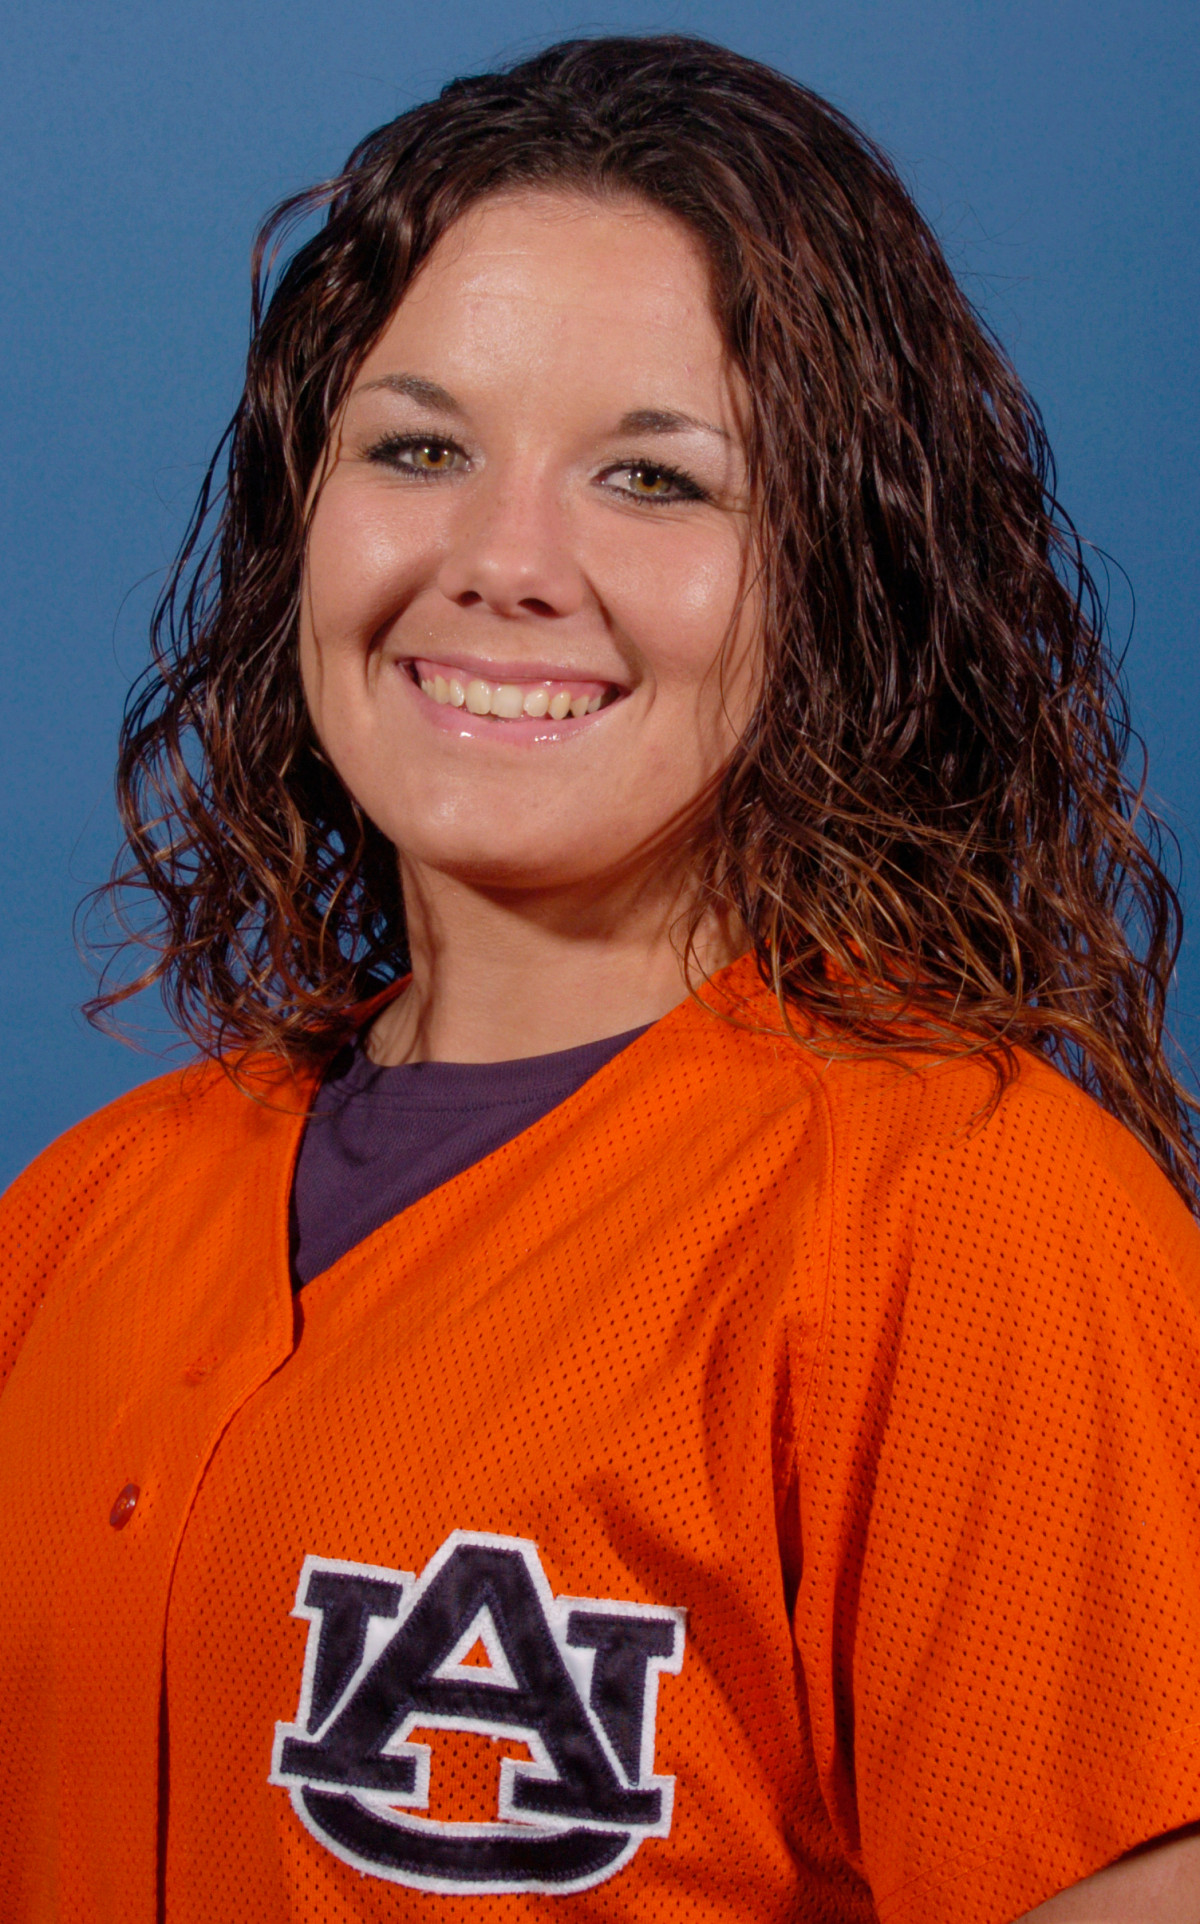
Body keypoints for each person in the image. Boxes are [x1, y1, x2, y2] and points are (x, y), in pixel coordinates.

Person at [1, 32, 1198, 1924]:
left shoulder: (976, 1228)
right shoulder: (80, 1219)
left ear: (835, 581)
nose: (506, 561)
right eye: (420, 449)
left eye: (654, 478)